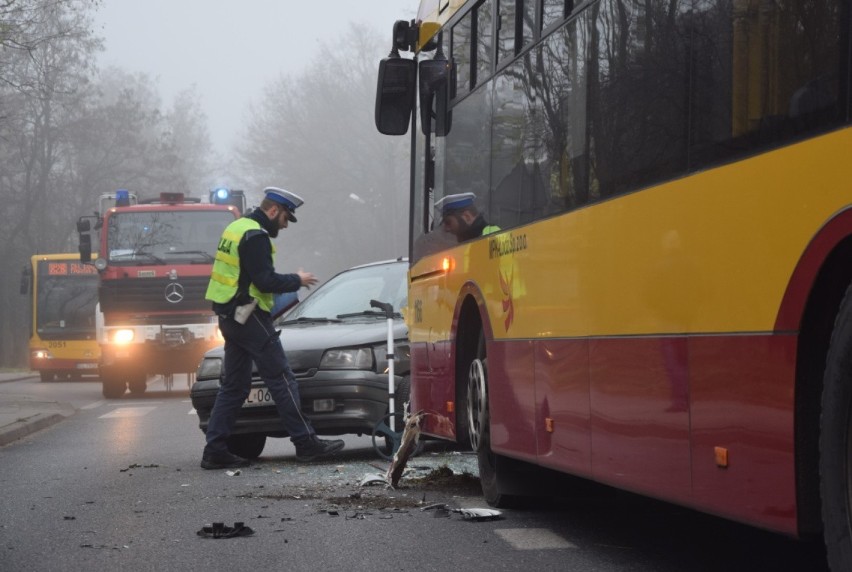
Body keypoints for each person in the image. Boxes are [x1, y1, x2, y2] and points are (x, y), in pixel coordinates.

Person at [201, 186, 345, 469]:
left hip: (230, 316)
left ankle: (214, 449)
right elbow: (265, 280)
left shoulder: (237, 228)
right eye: (285, 219)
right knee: (281, 378)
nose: (285, 225)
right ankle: (306, 443)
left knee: (234, 386)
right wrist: (297, 279)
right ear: (273, 210)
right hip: (249, 315)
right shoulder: (255, 236)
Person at [434, 192, 500, 242]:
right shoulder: (466, 240)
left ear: (467, 217)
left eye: (448, 222)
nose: (446, 229)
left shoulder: (493, 234)